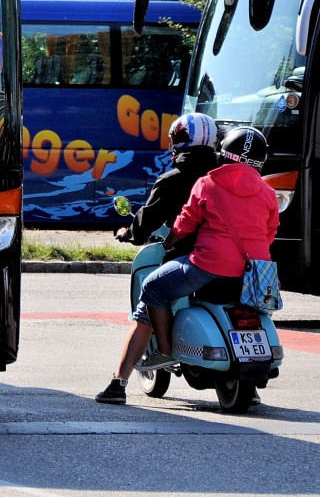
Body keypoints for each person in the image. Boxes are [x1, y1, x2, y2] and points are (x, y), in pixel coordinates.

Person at [96, 125, 280, 405]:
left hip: (207, 265)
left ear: (224, 152)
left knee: (153, 287)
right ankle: (249, 381)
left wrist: (170, 242)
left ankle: (166, 350)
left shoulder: (208, 183)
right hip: (252, 271)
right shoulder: (267, 191)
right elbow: (270, 231)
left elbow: (185, 222)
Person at [114, 111, 218, 261]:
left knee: (150, 285)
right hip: (226, 256)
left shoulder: (171, 180)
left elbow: (149, 218)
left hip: (188, 258)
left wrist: (129, 234)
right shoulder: (223, 176)